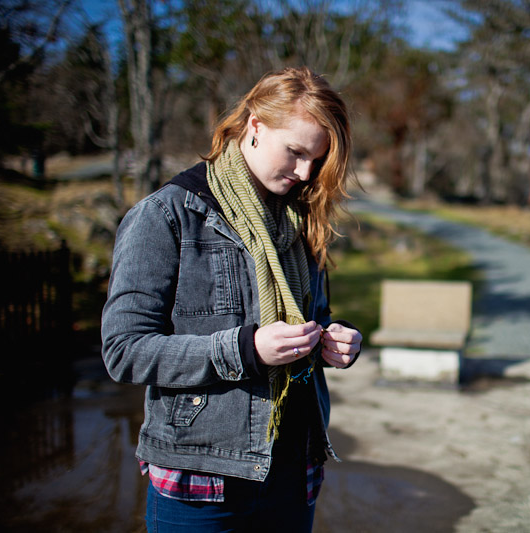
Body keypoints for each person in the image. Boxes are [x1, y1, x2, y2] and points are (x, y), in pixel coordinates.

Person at [101, 66, 362, 532]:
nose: (305, 173)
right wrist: (246, 350)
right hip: (202, 484)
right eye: (296, 153)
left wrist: (333, 341)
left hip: (292, 471)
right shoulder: (165, 216)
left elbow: (314, 318)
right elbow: (124, 352)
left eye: (316, 161)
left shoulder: (300, 222)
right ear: (255, 127)